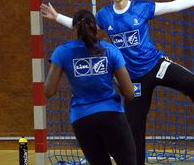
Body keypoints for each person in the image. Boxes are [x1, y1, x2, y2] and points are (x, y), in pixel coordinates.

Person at [40, 0, 194, 164]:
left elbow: (172, 5)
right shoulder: (104, 15)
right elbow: (83, 25)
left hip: (155, 65)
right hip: (133, 79)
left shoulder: (141, 8)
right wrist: (57, 16)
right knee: (135, 132)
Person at [44, 9, 136, 165]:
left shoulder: (62, 51)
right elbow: (129, 93)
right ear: (95, 27)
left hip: (82, 119)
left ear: (74, 29)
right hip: (112, 116)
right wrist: (114, 80)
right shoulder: (110, 50)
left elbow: (48, 91)